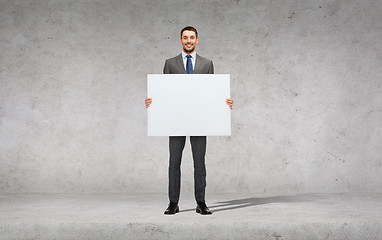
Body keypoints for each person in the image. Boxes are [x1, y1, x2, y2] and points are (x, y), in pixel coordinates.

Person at [145, 26, 234, 215]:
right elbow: (164, 91)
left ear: (197, 40)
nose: (188, 41)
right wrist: (153, 101)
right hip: (175, 120)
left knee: (199, 163)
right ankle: (173, 203)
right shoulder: (170, 63)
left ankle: (201, 202)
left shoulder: (207, 64)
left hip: (199, 119)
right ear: (180, 40)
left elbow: (211, 92)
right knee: (174, 163)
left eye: (192, 37)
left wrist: (224, 102)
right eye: (185, 38)